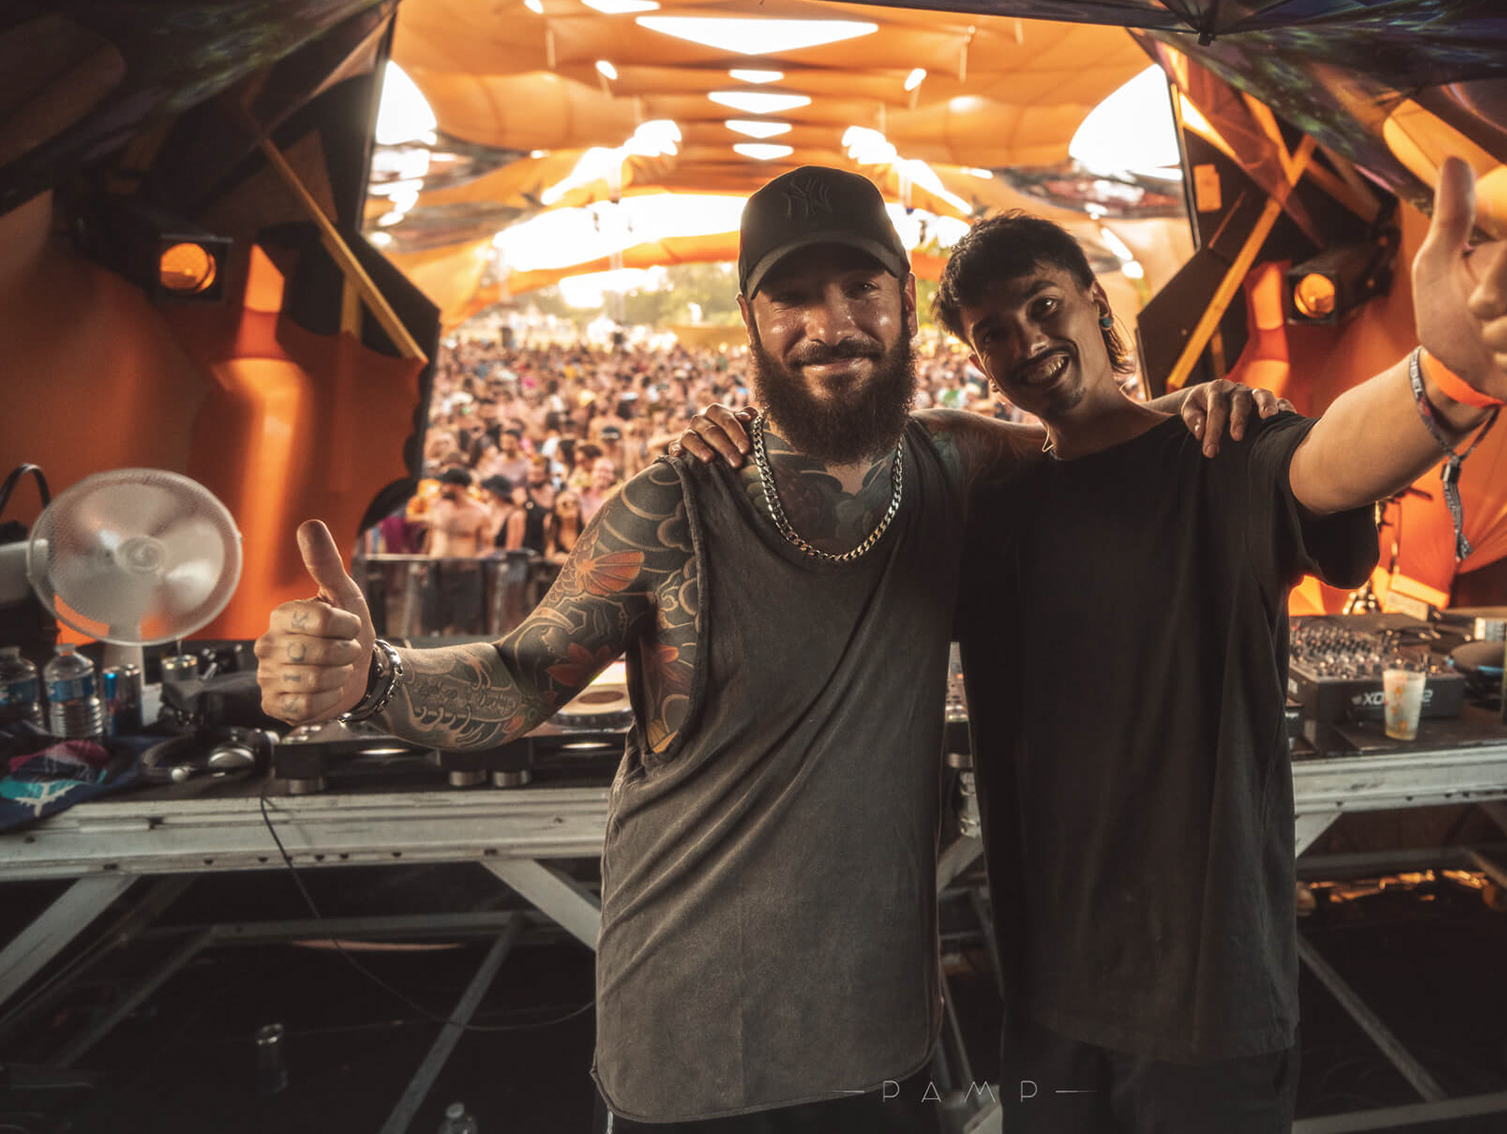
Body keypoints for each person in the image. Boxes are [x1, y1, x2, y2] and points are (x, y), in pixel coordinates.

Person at [255, 166, 1262, 1132]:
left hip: (880, 1040)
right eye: (794, 296)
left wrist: (1205, 408)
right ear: (752, 319)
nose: (833, 322)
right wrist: (374, 675)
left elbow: (1094, 436)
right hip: (689, 1046)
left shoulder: (959, 463)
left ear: (905, 304)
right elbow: (520, 678)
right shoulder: (674, 501)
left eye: (861, 286)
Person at [925, 158, 1507, 1134]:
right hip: (1047, 991)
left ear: (1093, 301)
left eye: (1043, 307)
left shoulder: (1216, 452)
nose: (1026, 342)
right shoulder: (994, 507)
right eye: (993, 332)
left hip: (1205, 998)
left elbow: (1328, 461)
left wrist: (1449, 380)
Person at [424, 469, 489, 558]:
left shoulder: (480, 512)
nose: (441, 488)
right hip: (436, 563)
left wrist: (477, 560)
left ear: (459, 487)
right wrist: (423, 559)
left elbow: (487, 547)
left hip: (464, 564)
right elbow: (430, 536)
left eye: (445, 484)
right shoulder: (437, 506)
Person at [480, 474, 526, 552]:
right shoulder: (489, 508)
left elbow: (512, 548)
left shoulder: (515, 515)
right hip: (487, 555)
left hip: (502, 556)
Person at [545, 488, 584, 560]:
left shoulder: (587, 528)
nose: (570, 506)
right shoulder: (553, 528)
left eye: (574, 503)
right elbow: (549, 555)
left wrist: (567, 558)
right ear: (556, 510)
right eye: (565, 504)